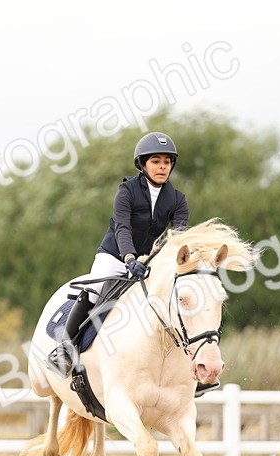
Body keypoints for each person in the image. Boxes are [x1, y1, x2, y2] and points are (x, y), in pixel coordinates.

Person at [47, 131, 189, 377]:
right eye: (156, 161)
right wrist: (129, 258)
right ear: (142, 164)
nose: (162, 167)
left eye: (167, 162)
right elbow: (122, 227)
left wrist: (160, 261)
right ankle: (65, 350)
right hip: (115, 256)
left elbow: (176, 237)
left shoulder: (177, 200)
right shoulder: (127, 191)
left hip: (148, 263)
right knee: (93, 293)